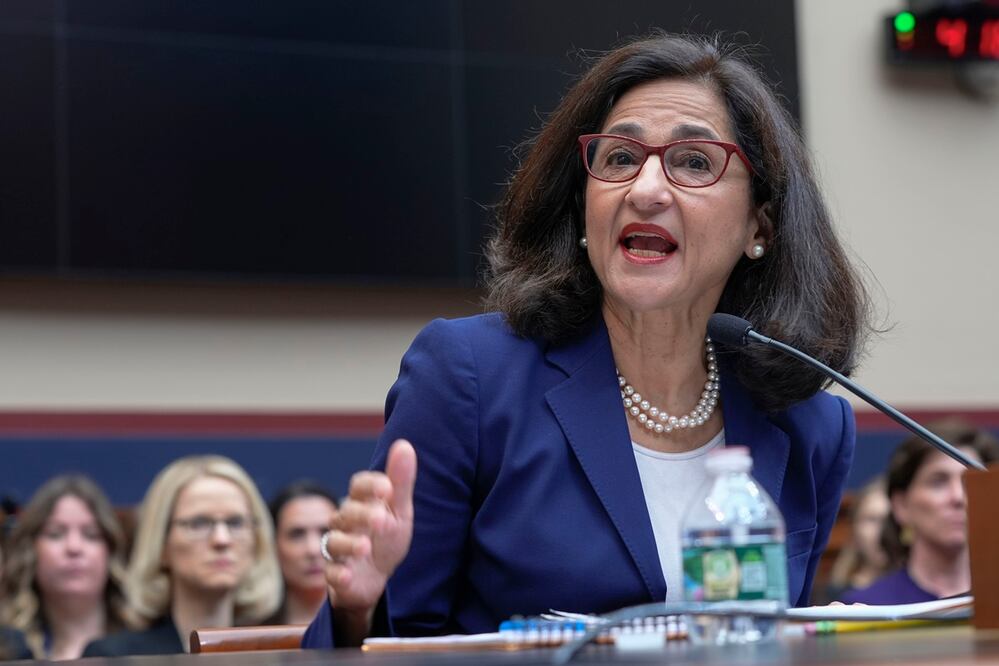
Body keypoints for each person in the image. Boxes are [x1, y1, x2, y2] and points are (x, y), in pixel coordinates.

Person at [304, 32, 869, 648]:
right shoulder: (470, 378)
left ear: (760, 225)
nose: (645, 190)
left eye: (694, 161)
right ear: (583, 206)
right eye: (620, 158)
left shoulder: (807, 426)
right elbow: (393, 640)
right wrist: (356, 610)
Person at [83, 455, 282, 656]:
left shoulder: (277, 655)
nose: (222, 539)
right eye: (199, 523)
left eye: (235, 523)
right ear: (161, 545)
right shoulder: (115, 658)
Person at [841, 421, 997, 604]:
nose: (958, 497)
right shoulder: (866, 608)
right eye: (938, 482)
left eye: (968, 481)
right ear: (901, 505)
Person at [0, 475, 131, 659]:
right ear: (30, 550)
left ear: (111, 550)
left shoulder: (148, 644)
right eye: (55, 534)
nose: (74, 547)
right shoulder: (8, 648)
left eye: (91, 534)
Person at [267, 480, 339, 625]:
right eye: (297, 535)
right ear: (273, 544)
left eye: (326, 532)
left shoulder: (374, 625)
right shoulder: (246, 629)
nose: (313, 550)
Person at [819, 476, 890, 604]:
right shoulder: (829, 596)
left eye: (890, 519)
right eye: (872, 519)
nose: (882, 530)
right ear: (854, 528)